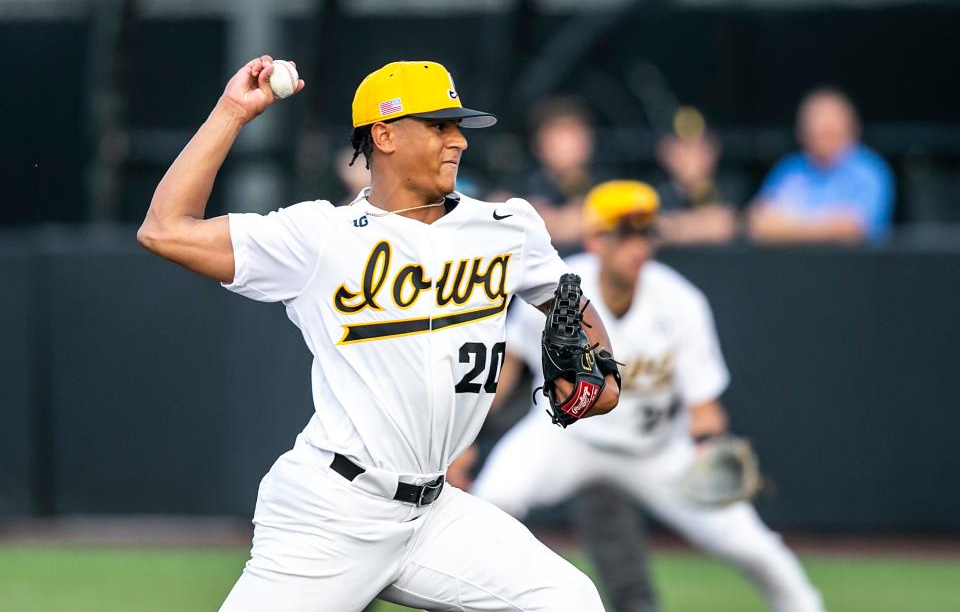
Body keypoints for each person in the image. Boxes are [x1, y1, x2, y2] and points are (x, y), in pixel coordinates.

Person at [136, 56, 621, 612]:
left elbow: (569, 301)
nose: (458, 140)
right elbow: (165, 229)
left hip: (434, 513)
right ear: (384, 135)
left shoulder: (507, 226)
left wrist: (601, 363)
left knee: (568, 601)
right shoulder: (319, 237)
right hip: (333, 511)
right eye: (438, 125)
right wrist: (232, 111)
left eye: (458, 126)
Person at [462, 180, 824, 612]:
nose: (638, 246)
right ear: (596, 239)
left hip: (653, 452)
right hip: (566, 437)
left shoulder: (679, 302)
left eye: (646, 233)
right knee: (488, 508)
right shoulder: (554, 288)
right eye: (625, 233)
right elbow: (506, 373)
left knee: (757, 549)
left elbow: (704, 408)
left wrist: (708, 445)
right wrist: (464, 444)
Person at [747, 87, 895, 244]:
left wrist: (786, 228)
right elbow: (757, 220)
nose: (821, 136)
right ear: (801, 132)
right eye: (814, 130)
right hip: (793, 265)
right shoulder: (790, 168)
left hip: (852, 265)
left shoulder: (869, 170)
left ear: (851, 129)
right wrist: (824, 224)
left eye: (828, 131)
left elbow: (854, 227)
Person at [654, 107, 745, 244]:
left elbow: (725, 225)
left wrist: (671, 227)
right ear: (665, 152)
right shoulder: (654, 193)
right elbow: (649, 230)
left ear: (715, 149)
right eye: (684, 147)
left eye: (701, 146)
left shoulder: (733, 186)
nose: (693, 156)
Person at [522, 97, 601, 251]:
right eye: (559, 133)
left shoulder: (607, 183)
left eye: (574, 132)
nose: (568, 143)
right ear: (539, 142)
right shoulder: (522, 186)